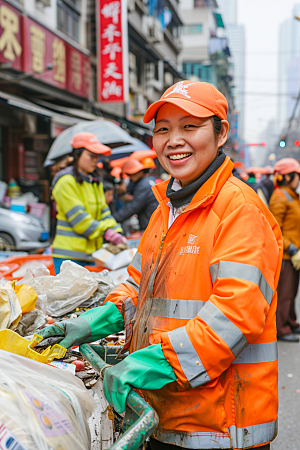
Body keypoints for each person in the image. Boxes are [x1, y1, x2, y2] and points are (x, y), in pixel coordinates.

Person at [40, 81, 282, 450]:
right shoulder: (167, 209)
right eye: (163, 129)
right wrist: (91, 322)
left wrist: (146, 365)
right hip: (164, 409)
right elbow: (139, 286)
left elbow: (235, 316)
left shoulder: (240, 210)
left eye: (190, 127)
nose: (174, 140)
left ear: (221, 134)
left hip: (217, 425)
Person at [51, 132, 126, 274]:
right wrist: (107, 232)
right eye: (91, 156)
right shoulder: (66, 182)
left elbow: (104, 212)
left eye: (97, 156)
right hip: (68, 257)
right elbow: (81, 222)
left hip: (92, 254)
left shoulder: (94, 181)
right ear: (77, 155)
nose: (95, 160)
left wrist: (116, 231)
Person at [269, 158, 300, 342]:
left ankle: (291, 321)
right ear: (287, 176)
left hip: (294, 254)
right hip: (287, 255)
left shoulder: (291, 196)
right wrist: (291, 248)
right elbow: (276, 228)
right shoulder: (280, 196)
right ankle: (282, 328)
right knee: (285, 294)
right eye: (297, 175)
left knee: (292, 292)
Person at [112, 158, 158, 231]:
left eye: (130, 175)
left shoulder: (143, 185)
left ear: (138, 172)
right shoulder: (150, 180)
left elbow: (133, 207)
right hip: (154, 223)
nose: (131, 178)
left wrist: (112, 219)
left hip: (152, 226)